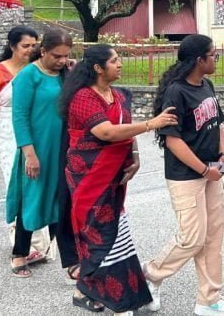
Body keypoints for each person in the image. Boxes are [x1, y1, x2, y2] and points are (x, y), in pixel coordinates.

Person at [59, 44, 178, 313]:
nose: (120, 64)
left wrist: (135, 156)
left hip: (114, 175)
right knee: (97, 234)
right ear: (98, 68)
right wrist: (152, 124)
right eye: (114, 61)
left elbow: (125, 129)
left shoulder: (120, 95)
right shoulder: (82, 97)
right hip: (88, 175)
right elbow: (106, 133)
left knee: (117, 234)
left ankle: (113, 293)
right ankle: (89, 291)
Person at [143, 34, 224, 316]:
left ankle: (209, 300)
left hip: (212, 169)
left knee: (213, 238)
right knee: (192, 238)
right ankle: (151, 273)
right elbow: (172, 140)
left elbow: (217, 124)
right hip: (186, 175)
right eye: (214, 55)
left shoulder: (207, 85)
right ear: (200, 60)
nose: (217, 59)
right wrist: (203, 169)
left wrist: (223, 154)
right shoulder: (177, 92)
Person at [6, 29, 79, 279]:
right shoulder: (29, 76)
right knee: (31, 198)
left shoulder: (65, 74)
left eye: (66, 56)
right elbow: (20, 116)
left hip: (62, 146)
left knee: (62, 201)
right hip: (36, 148)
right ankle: (19, 253)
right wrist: (29, 153)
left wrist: (73, 70)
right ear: (44, 51)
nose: (61, 60)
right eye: (57, 56)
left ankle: (71, 263)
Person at [0, 26, 51, 264]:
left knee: (36, 182)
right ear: (12, 46)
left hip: (36, 128)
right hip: (7, 132)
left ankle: (40, 242)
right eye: (25, 46)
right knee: (16, 183)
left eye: (34, 45)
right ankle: (20, 240)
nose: (31, 50)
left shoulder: (38, 69)